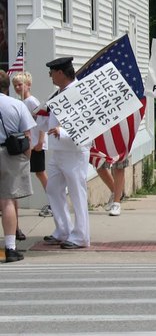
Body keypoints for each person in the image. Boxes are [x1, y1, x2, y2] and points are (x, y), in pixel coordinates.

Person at [43, 57, 91, 249]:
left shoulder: (79, 92)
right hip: (59, 150)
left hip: (74, 150)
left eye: (52, 72)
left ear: (61, 73)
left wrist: (62, 132)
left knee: (77, 192)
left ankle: (81, 235)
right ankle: (63, 229)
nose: (50, 76)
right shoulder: (59, 93)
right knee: (53, 188)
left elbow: (86, 121)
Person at [0, 69, 35, 262]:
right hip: (10, 155)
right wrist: (26, 159)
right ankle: (10, 248)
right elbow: (28, 136)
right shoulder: (17, 105)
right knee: (7, 201)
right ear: (7, 86)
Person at [11, 72, 51, 228]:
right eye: (15, 85)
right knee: (36, 173)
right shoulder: (21, 102)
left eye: (20, 84)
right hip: (29, 145)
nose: (17, 87)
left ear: (28, 85)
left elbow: (43, 120)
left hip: (36, 145)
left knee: (41, 173)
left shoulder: (31, 101)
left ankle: (53, 202)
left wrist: (41, 141)